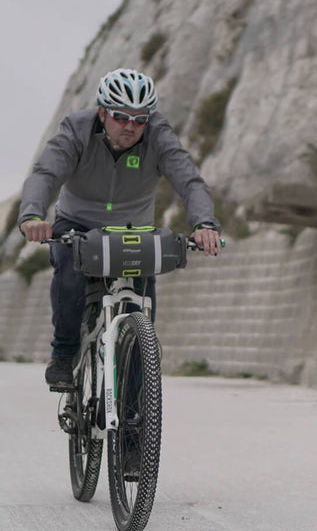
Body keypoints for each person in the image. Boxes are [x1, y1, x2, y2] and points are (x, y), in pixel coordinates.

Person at [17, 68, 222, 389]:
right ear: (102, 112)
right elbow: (45, 174)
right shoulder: (76, 129)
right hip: (77, 225)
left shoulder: (158, 135)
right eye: (121, 116)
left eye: (140, 119)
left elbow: (190, 181)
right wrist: (31, 216)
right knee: (69, 275)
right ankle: (64, 354)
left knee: (143, 310)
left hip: (133, 229)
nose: (130, 126)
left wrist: (204, 223)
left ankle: (135, 406)